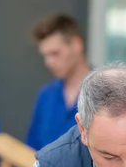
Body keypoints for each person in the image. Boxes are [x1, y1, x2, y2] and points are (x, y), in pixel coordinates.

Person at [25, 13, 91, 152]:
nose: (48, 62)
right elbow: (31, 151)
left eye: (55, 53)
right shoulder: (45, 96)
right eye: (45, 55)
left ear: (76, 44)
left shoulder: (106, 92)